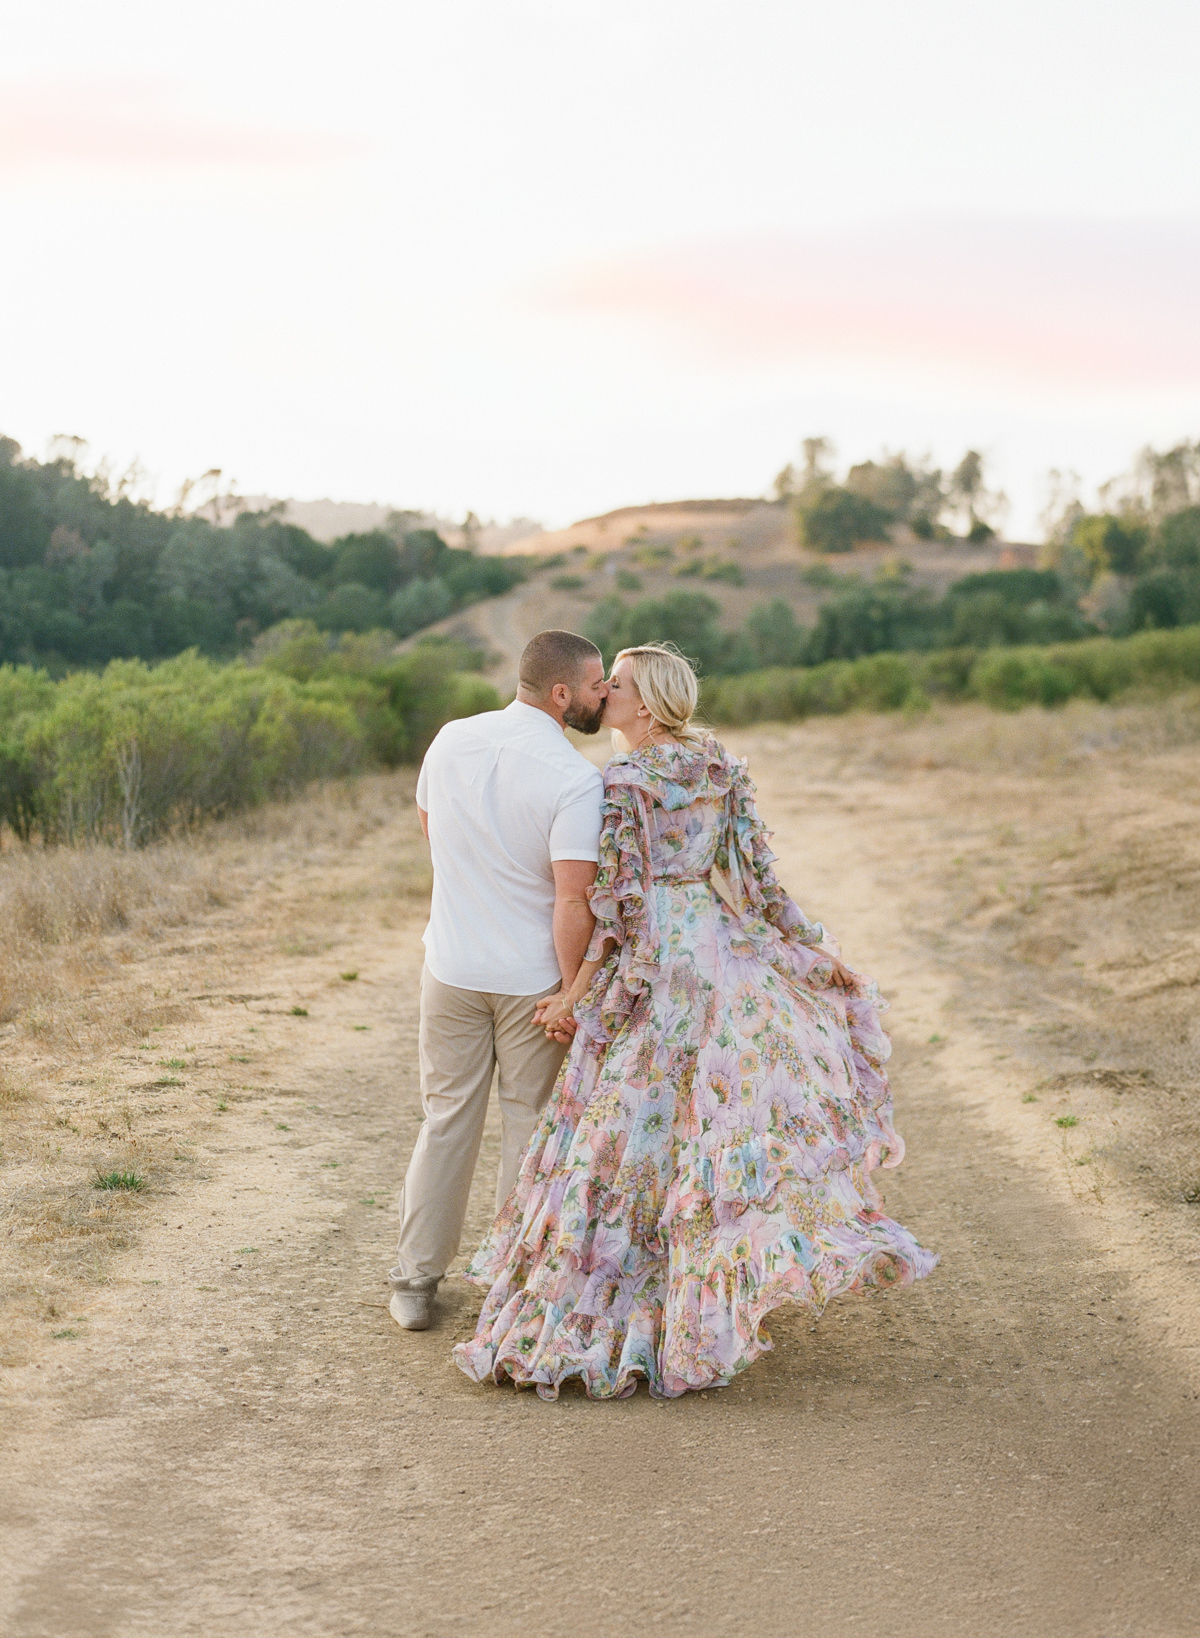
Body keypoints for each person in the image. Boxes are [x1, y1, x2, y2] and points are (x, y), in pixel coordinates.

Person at [453, 643, 936, 1398]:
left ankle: (638, 1307)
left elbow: (618, 910)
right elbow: (761, 883)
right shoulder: (720, 766)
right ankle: (699, 1304)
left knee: (632, 1133)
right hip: (719, 957)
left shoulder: (622, 783)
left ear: (643, 705)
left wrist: (577, 993)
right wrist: (809, 946)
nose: (603, 690)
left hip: (658, 966)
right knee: (709, 1127)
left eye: (616, 683)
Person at [388, 629, 609, 1332]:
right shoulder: (576, 779)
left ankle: (415, 1283)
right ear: (562, 694)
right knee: (528, 1125)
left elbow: (431, 829)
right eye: (598, 683)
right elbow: (572, 898)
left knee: (446, 1121)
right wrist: (572, 990)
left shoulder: (451, 738)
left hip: (449, 965)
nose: (605, 694)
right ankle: (510, 1283)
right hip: (529, 983)